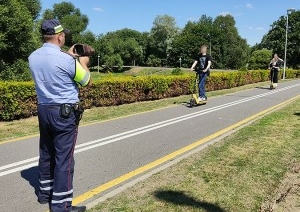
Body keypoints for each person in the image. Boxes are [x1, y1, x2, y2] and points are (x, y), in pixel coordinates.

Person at [28, 19, 92, 212]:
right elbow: (87, 81)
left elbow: (52, 68)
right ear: (59, 36)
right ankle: (62, 206)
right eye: (64, 34)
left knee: (47, 153)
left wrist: (68, 56)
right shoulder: (66, 60)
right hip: (64, 113)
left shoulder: (33, 57)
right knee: (64, 159)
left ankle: (44, 194)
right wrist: (82, 62)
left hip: (44, 109)